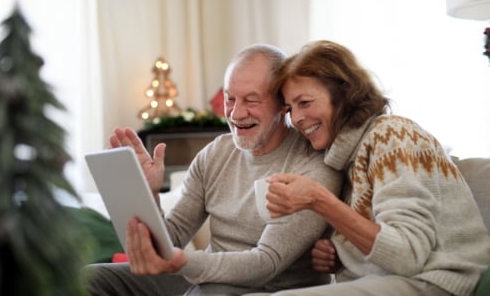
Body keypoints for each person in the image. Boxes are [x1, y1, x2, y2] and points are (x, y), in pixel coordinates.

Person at [85, 44, 343, 295]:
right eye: (230, 98)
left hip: (268, 286)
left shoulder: (313, 166)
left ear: (282, 104)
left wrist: (186, 263)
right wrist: (148, 194)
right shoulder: (215, 153)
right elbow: (171, 239)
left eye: (251, 100)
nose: (236, 113)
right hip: (208, 278)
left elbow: (266, 263)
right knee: (90, 278)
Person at [250, 40, 490, 296]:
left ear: (344, 93)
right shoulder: (343, 158)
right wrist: (342, 257)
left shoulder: (393, 134)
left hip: (443, 282)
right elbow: (382, 244)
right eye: (289, 109)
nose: (296, 118)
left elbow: (407, 255)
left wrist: (318, 200)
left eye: (305, 102)